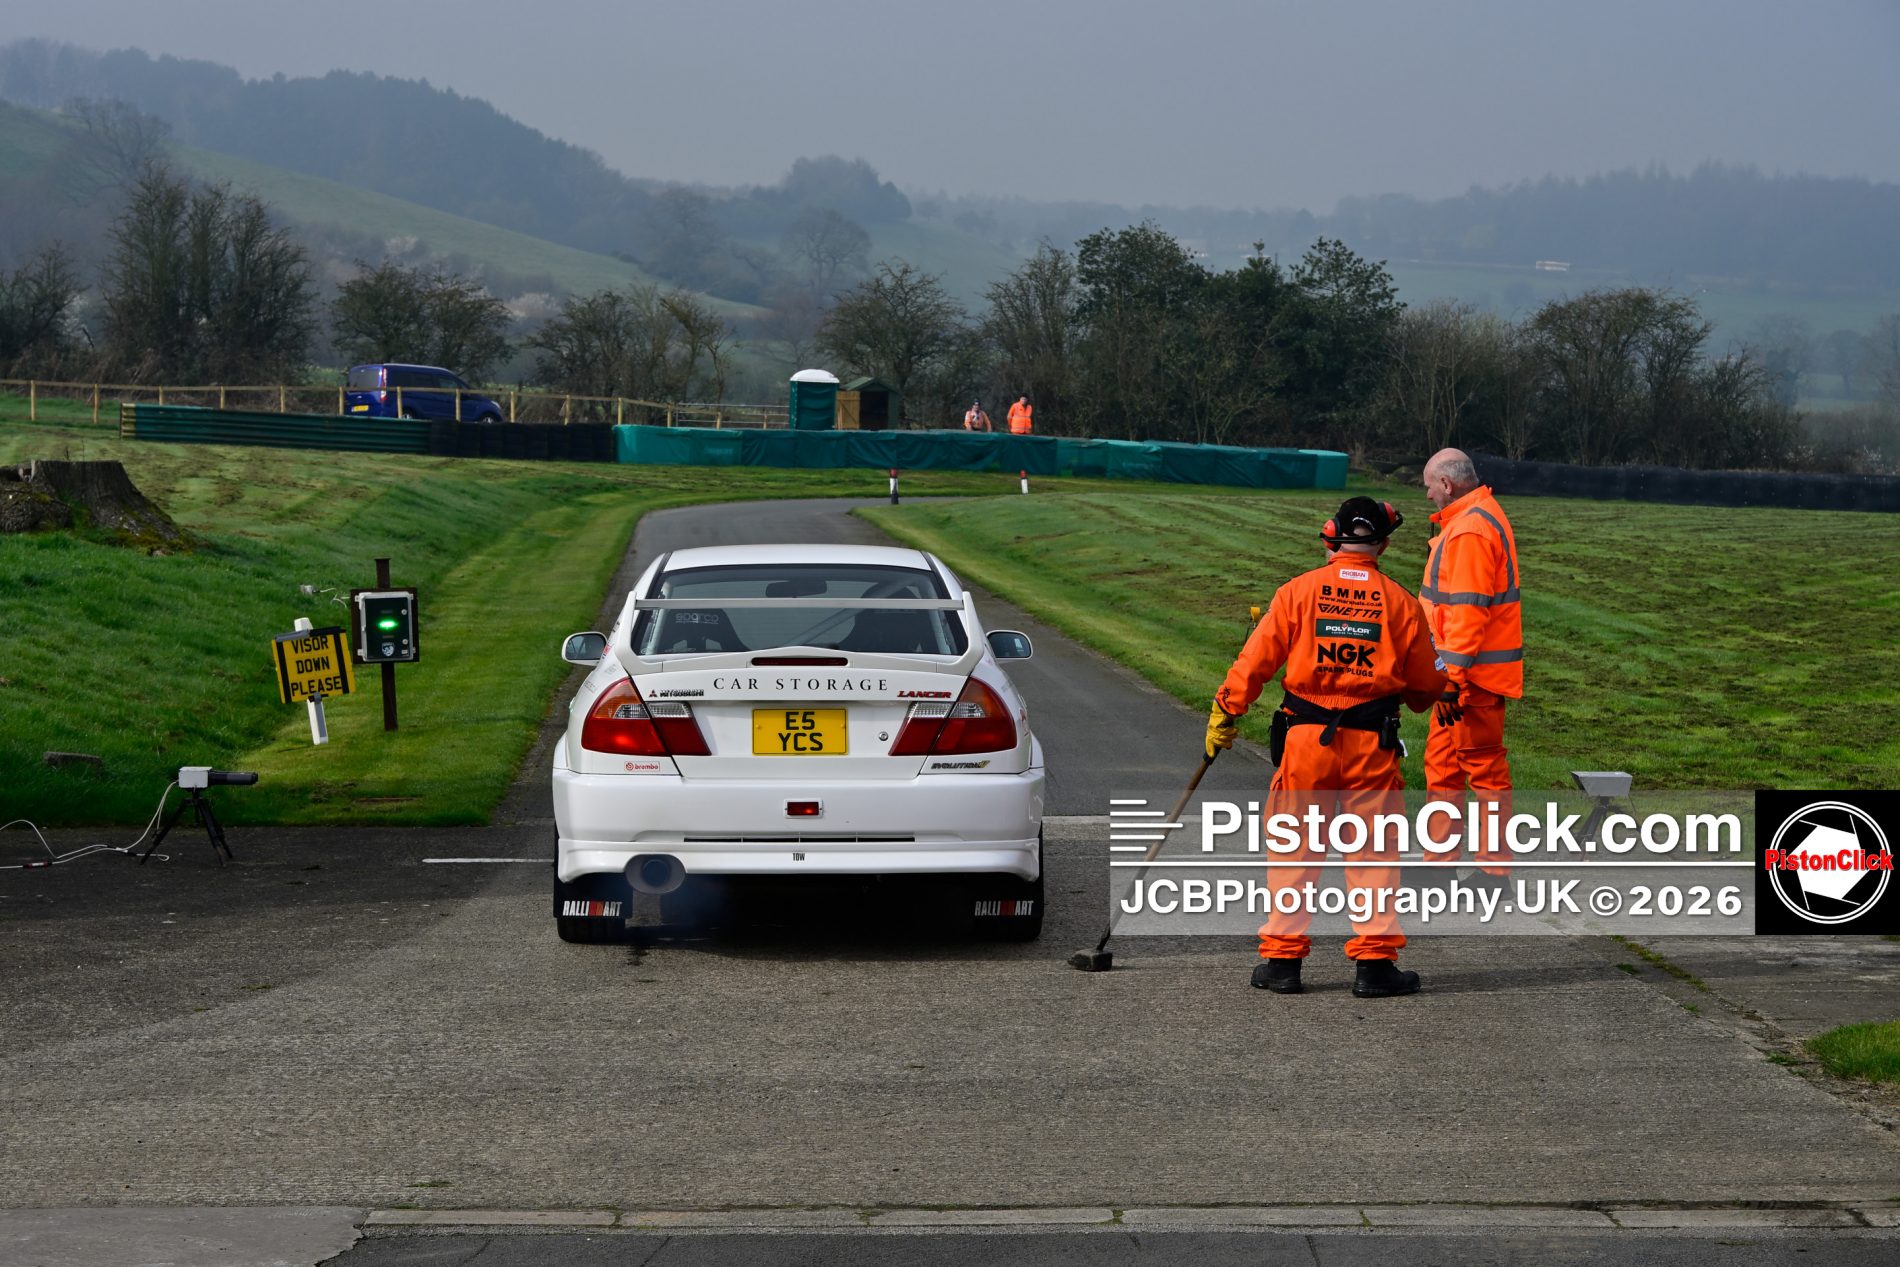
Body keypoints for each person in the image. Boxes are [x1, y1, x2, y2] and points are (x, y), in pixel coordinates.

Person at [1206, 497, 1445, 998]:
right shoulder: (1401, 603)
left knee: (1295, 847)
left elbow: (1256, 660)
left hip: (1305, 741)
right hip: (1372, 746)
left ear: (1331, 536)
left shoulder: (1297, 592)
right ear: (1381, 543)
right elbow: (1426, 689)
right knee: (1374, 851)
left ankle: (1282, 963)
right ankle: (1375, 966)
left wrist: (1227, 709)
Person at [1419, 449, 1522, 880]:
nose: (1426, 496)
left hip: (1469, 680)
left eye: (1428, 486)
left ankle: (1494, 874)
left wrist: (1451, 682)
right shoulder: (1474, 518)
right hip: (1458, 676)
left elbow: (1467, 613)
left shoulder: (1469, 531)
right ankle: (1440, 865)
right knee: (1442, 767)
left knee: (1484, 772)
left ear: (1446, 484)